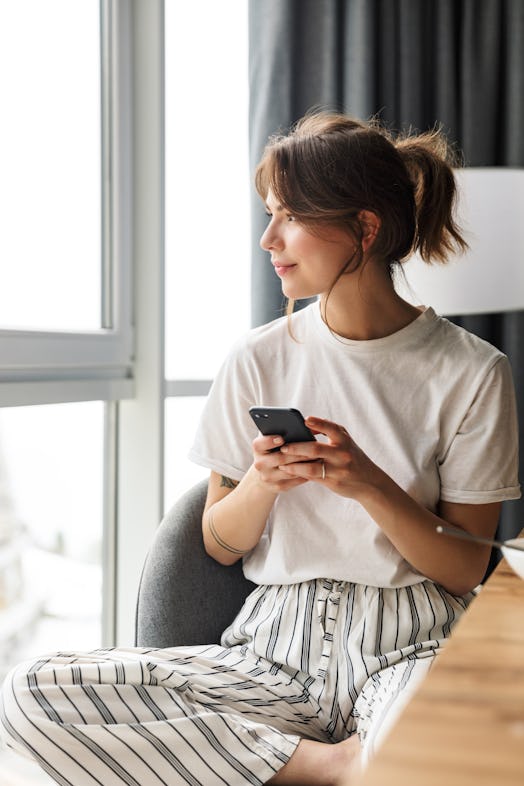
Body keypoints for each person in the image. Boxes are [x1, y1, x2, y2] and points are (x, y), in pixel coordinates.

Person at [0, 112, 520, 786]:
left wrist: (369, 484)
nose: (268, 239)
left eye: (289, 218)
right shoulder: (257, 357)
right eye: (269, 215)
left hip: (412, 646)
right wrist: (263, 484)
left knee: (446, 751)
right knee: (28, 693)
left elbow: (465, 569)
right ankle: (331, 766)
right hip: (272, 651)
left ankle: (333, 760)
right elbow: (218, 542)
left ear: (364, 228)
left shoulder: (473, 372)